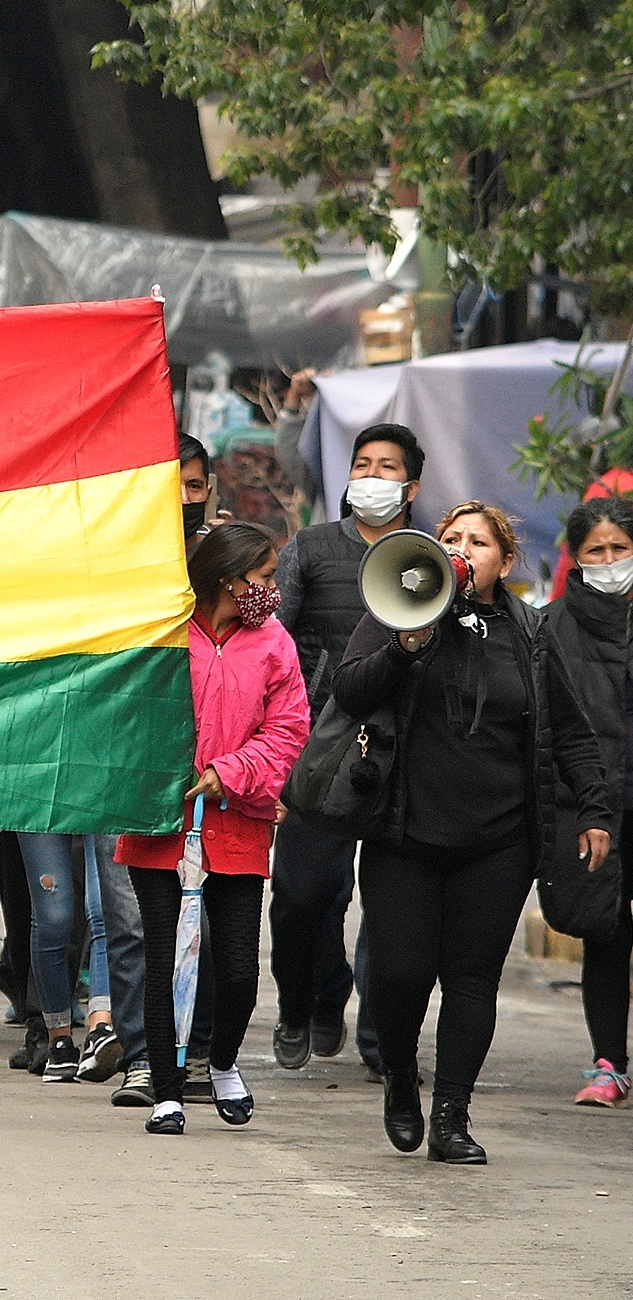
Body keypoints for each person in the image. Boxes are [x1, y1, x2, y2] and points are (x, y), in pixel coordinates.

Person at [333, 501, 615, 1163]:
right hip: (405, 835)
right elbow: (350, 691)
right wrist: (407, 643)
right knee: (398, 976)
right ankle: (400, 1072)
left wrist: (595, 808)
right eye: (450, 538)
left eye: (478, 542)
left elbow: (570, 730)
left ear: (505, 562)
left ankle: (452, 1114)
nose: (463, 549)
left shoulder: (529, 633)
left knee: (470, 979)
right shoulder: (399, 611)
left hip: (498, 842)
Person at [119, 521, 309, 1135]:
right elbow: (129, 715)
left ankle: (221, 1062)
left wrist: (232, 772)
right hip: (160, 825)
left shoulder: (276, 642)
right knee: (164, 960)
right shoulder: (166, 632)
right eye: (264, 578)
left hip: (239, 826)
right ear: (229, 579)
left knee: (235, 969)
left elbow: (288, 730)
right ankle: (166, 1092)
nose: (272, 590)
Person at [269, 420, 422, 1074]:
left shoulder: (429, 554)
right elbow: (273, 642)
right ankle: (308, 999)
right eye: (363, 463)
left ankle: (383, 1042)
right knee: (305, 895)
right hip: (319, 748)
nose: (373, 476)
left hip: (404, 752)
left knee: (394, 908)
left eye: (388, 466)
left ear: (411, 484)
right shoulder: (310, 547)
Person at [543, 494, 633, 1108]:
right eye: (595, 551)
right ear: (576, 558)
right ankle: (610, 1065)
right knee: (605, 929)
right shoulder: (551, 627)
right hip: (593, 801)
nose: (608, 561)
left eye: (620, 549)